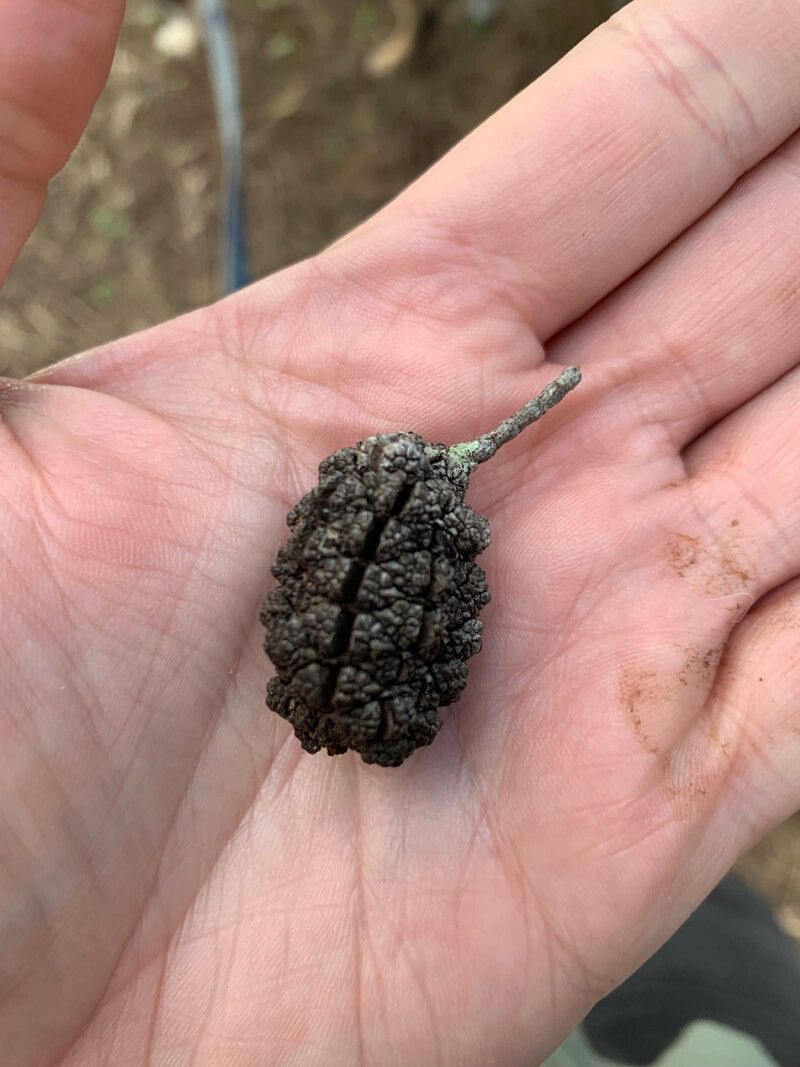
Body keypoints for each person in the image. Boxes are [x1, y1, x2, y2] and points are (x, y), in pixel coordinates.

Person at [1, 0, 799, 1063]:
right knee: (729, 975)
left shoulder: (397, 521)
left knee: (708, 956)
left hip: (514, 940)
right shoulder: (400, 526)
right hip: (584, 958)